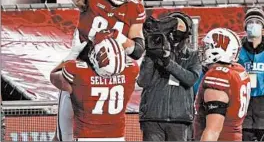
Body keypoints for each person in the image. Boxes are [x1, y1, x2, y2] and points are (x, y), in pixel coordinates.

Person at [52, 0, 146, 141]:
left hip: (112, 70)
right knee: (65, 128)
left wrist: (117, 37)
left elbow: (137, 50)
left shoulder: (134, 7)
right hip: (84, 64)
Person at [50, 34, 140, 141]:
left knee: (61, 136)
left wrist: (71, 55)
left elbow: (54, 77)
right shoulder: (131, 70)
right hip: (117, 138)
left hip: (86, 137)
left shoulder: (78, 72)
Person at [138, 11, 201, 141]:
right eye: (173, 25)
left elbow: (191, 79)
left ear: (188, 31)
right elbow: (143, 81)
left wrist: (168, 63)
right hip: (152, 118)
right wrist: (151, 54)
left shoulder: (193, 55)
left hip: (180, 120)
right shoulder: (153, 50)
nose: (176, 29)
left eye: (180, 26)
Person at [194, 28, 251, 141]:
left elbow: (213, 130)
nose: (203, 50)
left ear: (217, 51)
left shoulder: (218, 76)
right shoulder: (238, 71)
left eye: (206, 47)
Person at [238, 8, 264, 141]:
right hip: (244, 113)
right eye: (250, 22)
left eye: (257, 22)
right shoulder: (237, 52)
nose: (253, 25)